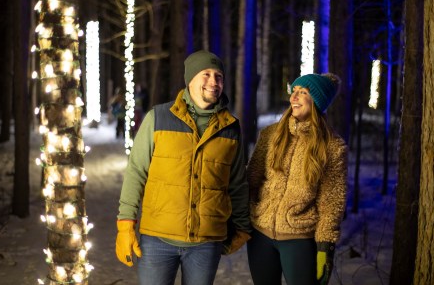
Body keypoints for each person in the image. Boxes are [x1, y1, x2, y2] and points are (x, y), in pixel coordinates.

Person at [115, 50, 252, 285]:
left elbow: (237, 182)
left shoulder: (231, 128)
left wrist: (242, 225)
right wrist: (126, 222)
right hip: (157, 239)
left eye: (219, 76)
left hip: (206, 242)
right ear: (190, 79)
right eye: (206, 74)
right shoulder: (158, 118)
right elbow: (136, 171)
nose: (213, 82)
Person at [246, 73, 348, 285]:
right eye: (294, 92)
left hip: (299, 238)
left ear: (317, 101)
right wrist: (243, 217)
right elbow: (252, 179)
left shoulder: (332, 147)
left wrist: (325, 246)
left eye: (303, 93)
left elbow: (331, 202)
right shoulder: (270, 134)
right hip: (260, 234)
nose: (294, 97)